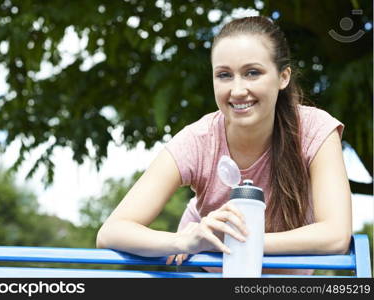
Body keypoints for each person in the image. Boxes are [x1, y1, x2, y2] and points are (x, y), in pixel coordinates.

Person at [96, 16, 352, 275]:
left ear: (283, 77)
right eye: (224, 75)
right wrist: (186, 240)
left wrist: (235, 241)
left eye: (253, 73)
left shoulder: (314, 130)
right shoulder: (198, 140)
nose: (238, 90)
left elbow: (335, 235)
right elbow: (112, 231)